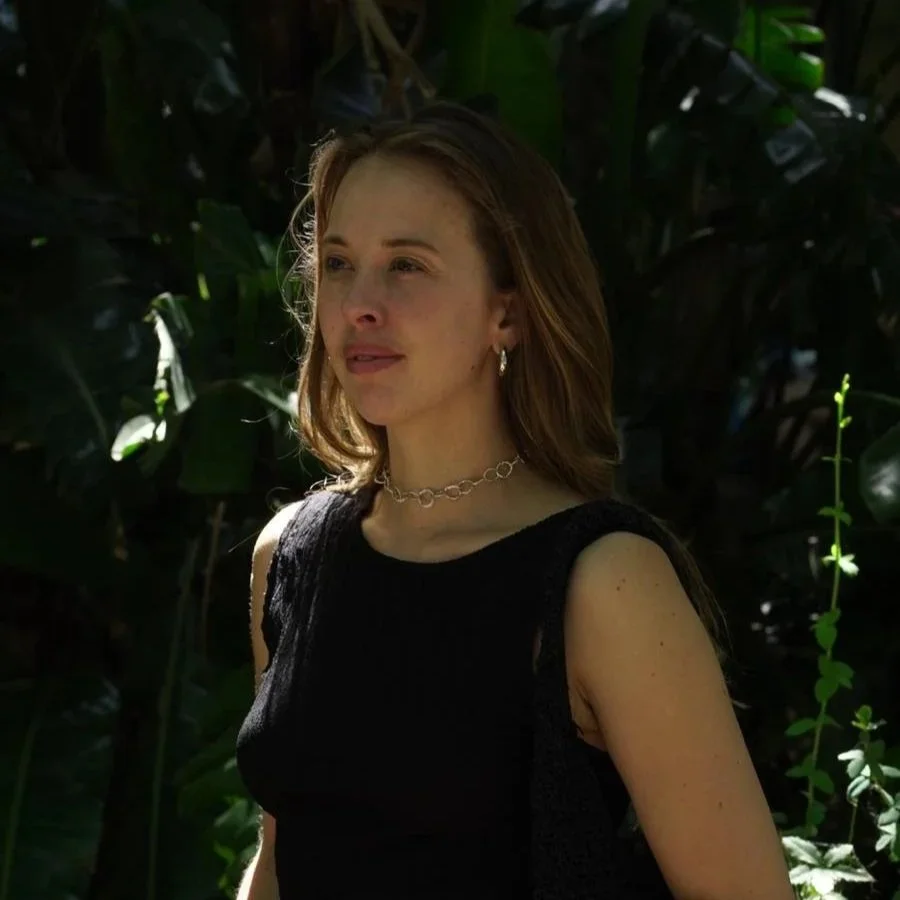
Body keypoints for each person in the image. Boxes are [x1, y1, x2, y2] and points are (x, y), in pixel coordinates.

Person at [235, 102, 794, 900]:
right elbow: (282, 858)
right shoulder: (291, 553)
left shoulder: (603, 581)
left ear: (508, 310)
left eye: (407, 265)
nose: (360, 303)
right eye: (338, 263)